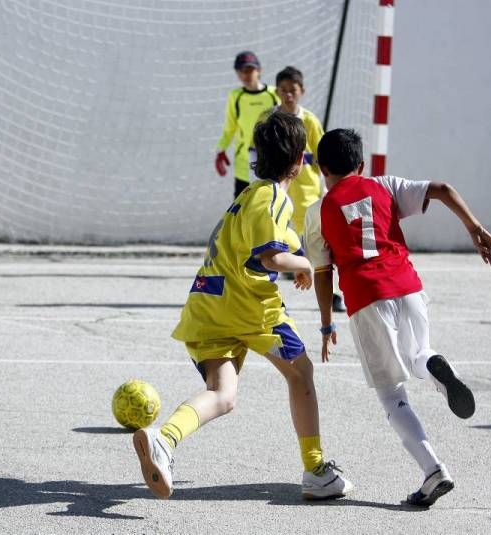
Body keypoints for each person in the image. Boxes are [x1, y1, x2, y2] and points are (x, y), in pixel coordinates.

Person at [134, 112, 353, 501]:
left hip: (206, 305)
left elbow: (270, 245)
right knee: (300, 373)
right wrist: (307, 264)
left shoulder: (246, 197)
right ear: (299, 160)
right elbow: (271, 258)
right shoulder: (271, 196)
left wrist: (296, 255)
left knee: (223, 394)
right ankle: (316, 468)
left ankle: (163, 439)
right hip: (248, 307)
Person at [302, 128, 491, 507]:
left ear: (321, 167)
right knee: (419, 354)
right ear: (361, 164)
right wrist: (474, 228)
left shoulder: (317, 211)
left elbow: (323, 272)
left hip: (367, 298)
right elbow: (442, 188)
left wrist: (327, 323)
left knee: (392, 394)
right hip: (409, 287)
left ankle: (433, 470)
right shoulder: (386, 185)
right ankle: (435, 365)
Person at [257, 66, 346, 312]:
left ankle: (332, 293)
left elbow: (323, 155)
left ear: (301, 92)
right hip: (278, 193)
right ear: (277, 91)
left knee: (317, 245)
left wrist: (327, 187)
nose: (288, 95)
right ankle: (267, 296)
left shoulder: (310, 121)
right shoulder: (268, 119)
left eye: (292, 91)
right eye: (283, 91)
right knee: (270, 246)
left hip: (306, 193)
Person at [215, 51, 279, 199]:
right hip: (244, 165)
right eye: (242, 71)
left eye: (250, 70)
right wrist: (221, 149)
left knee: (267, 205)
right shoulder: (236, 96)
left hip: (270, 163)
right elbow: (230, 128)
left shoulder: (273, 94)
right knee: (241, 209)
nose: (246, 75)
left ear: (259, 70)